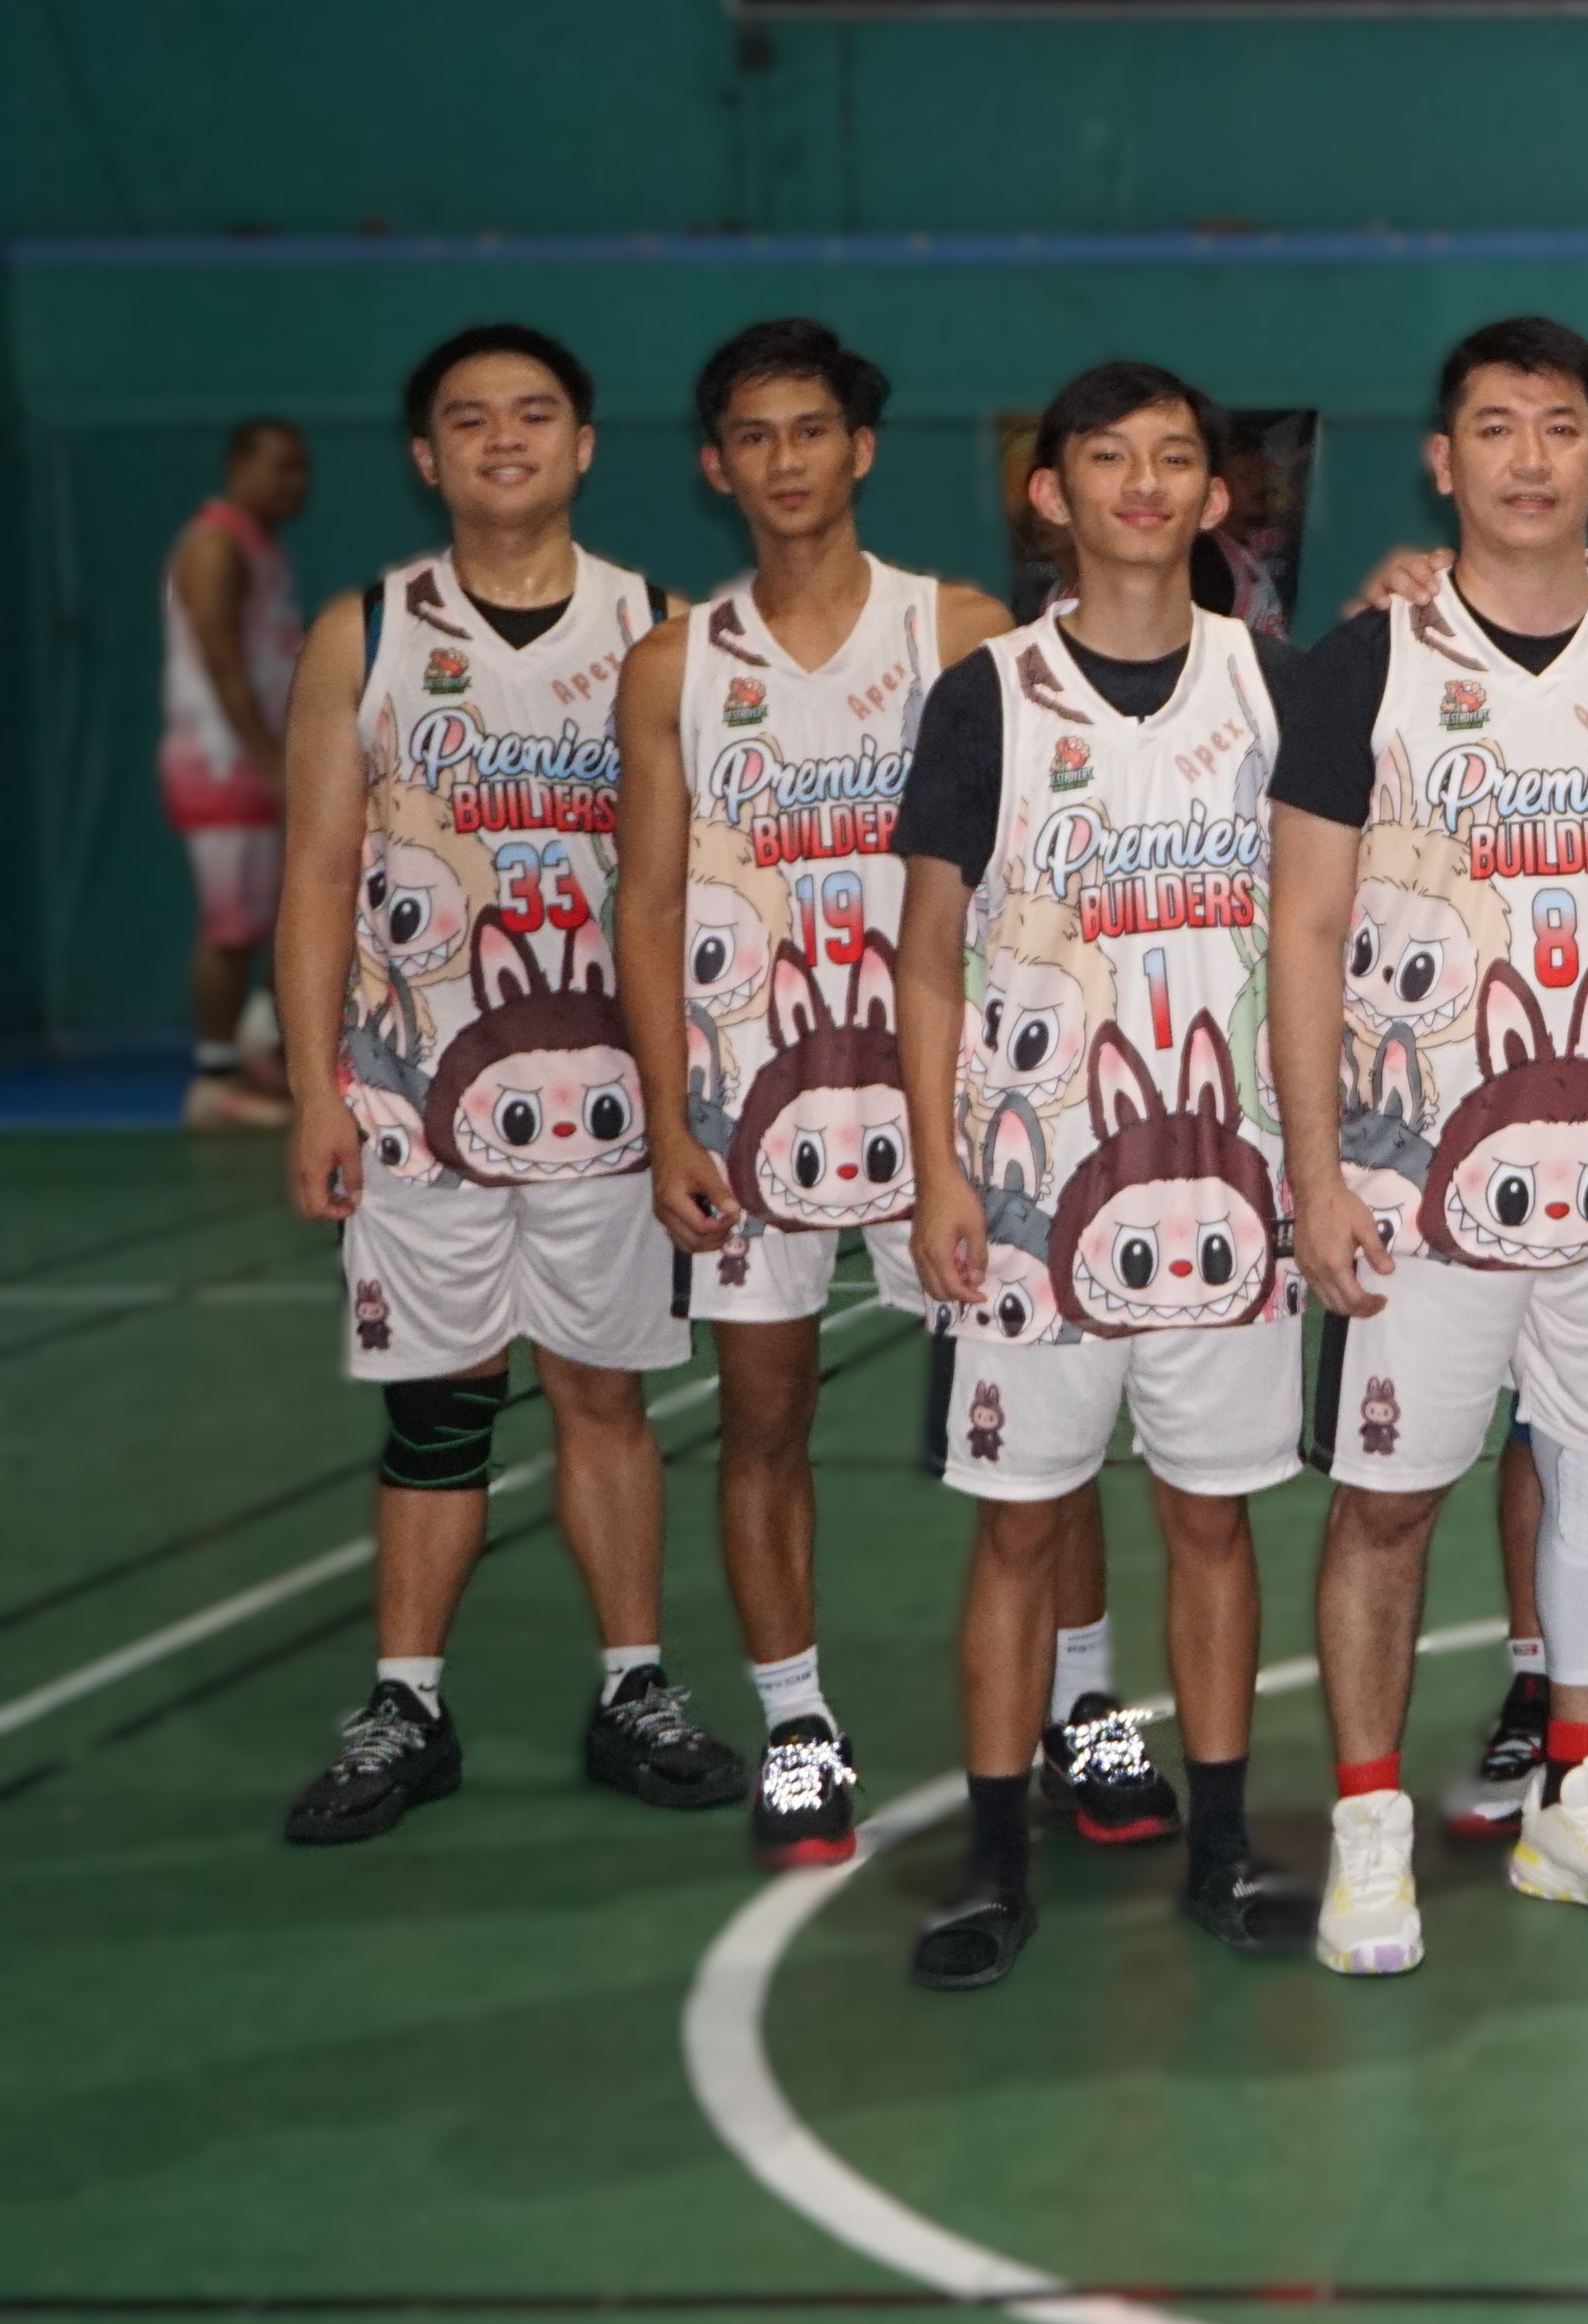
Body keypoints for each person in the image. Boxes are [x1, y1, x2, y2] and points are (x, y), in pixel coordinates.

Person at [1271, 317, 1588, 1974]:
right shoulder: (1368, 661)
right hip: (1415, 1179)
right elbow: (1307, 928)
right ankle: (1366, 1829)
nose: (1534, 456)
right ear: (1445, 459)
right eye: (1497, 426)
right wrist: (1316, 1170)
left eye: (1563, 426)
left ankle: (1583, 1797)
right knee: (1390, 1501)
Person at [618, 318, 1077, 1871]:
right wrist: (669, 1117)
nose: (786, 459)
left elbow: (1023, 868)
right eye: (754, 435)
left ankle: (1082, 1697)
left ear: (860, 449)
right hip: (755, 1110)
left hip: (952, 1105)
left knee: (1036, 1425)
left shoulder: (954, 629)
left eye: (812, 429)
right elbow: (651, 903)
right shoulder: (678, 665)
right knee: (763, 1419)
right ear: (714, 463)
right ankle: (799, 1725)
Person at [275, 327, 734, 1849]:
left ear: (588, 444)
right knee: (438, 1403)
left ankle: (634, 1684)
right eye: (467, 421)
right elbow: (318, 876)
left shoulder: (657, 630)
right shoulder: (369, 628)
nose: (502, 439)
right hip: (416, 1096)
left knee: (606, 1394)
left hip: (609, 1093)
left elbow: (692, 883)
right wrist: (313, 1092)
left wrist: (687, 1103)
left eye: (534, 414)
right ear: (426, 458)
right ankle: (408, 1697)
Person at [890, 360, 1313, 1991]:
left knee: (1213, 1518)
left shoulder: (1279, 685)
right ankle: (997, 1857)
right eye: (1107, 458)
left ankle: (1220, 1843)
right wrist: (936, 1165)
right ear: (1047, 493)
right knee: (1019, 1530)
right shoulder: (986, 694)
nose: (1143, 483)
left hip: (1232, 1186)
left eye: (1176, 459)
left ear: (1220, 498)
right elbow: (929, 955)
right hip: (1025, 1192)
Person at [164, 420, 311, 1128]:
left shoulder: (262, 549)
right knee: (231, 924)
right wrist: (264, 758)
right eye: (281, 468)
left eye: (301, 470)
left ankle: (264, 1050)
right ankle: (214, 1077)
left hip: (263, 759)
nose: (296, 484)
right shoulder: (216, 546)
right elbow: (222, 664)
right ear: (239, 465)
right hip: (223, 765)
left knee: (281, 913)